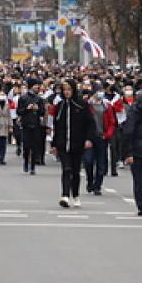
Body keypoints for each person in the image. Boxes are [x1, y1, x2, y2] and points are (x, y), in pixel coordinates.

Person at [51, 80, 95, 208]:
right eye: (64, 90)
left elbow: (90, 123)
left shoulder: (82, 105)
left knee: (75, 171)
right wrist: (54, 144)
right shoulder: (60, 106)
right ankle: (65, 195)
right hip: (63, 143)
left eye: (69, 89)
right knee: (66, 168)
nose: (66, 92)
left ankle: (75, 195)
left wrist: (88, 139)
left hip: (78, 143)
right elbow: (56, 125)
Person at [85, 88, 117, 195]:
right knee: (88, 161)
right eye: (98, 91)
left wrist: (107, 134)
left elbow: (112, 122)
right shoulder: (87, 105)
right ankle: (90, 181)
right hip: (89, 138)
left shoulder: (107, 106)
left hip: (102, 137)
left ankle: (97, 186)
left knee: (101, 163)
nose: (100, 94)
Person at [17, 78, 45, 175]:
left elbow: (42, 112)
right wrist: (27, 108)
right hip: (26, 125)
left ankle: (32, 166)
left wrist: (38, 109)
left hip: (36, 125)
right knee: (26, 146)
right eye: (36, 85)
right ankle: (25, 162)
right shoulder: (23, 98)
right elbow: (19, 111)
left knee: (35, 147)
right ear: (31, 86)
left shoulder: (39, 99)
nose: (38, 87)